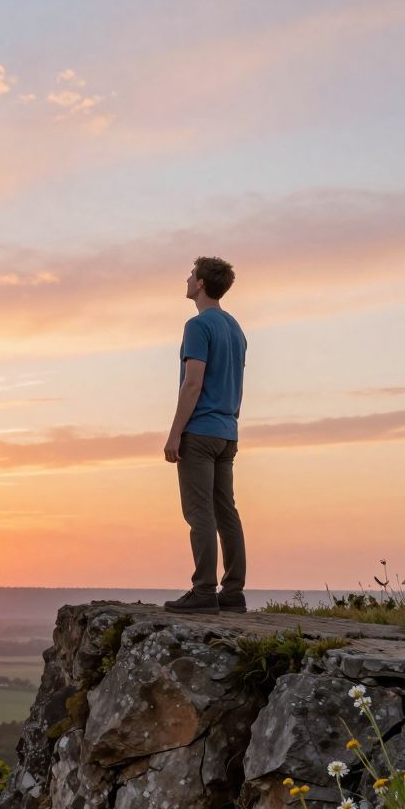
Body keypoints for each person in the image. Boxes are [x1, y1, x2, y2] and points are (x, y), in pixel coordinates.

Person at [162, 256, 247, 613]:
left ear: (199, 284)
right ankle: (233, 592)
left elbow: (193, 382)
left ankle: (203, 590)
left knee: (199, 513)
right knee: (226, 510)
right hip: (228, 432)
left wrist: (174, 433)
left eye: (190, 274)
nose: (186, 278)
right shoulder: (235, 328)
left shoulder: (198, 326)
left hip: (200, 431)